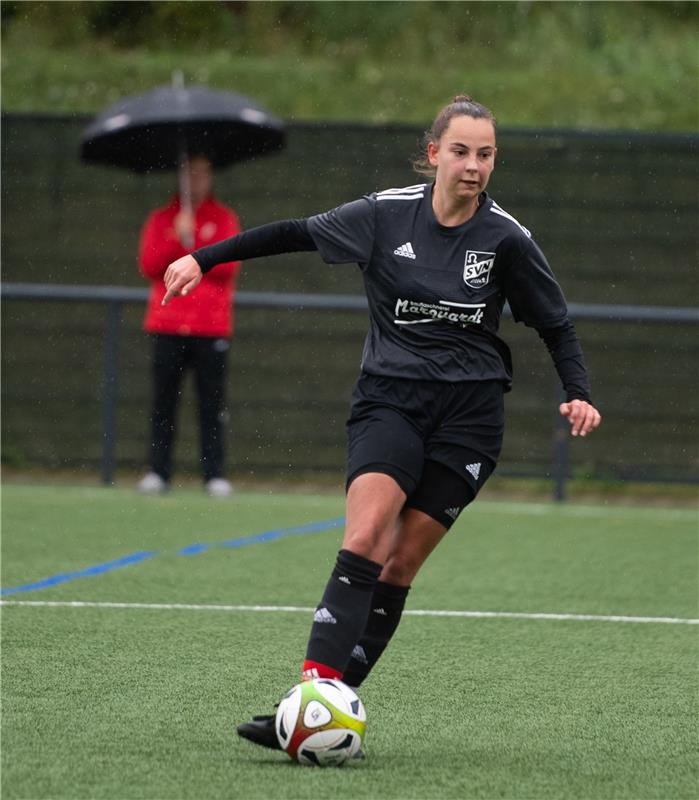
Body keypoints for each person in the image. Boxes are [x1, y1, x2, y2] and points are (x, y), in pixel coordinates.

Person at [162, 95, 602, 750]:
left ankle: (322, 703)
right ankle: (310, 698)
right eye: (460, 151)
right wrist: (205, 258)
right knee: (366, 535)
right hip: (389, 400)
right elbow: (294, 233)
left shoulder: (506, 238)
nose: (473, 165)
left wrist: (578, 391)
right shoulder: (382, 214)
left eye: (485, 154)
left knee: (398, 565)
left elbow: (554, 322)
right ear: (433, 154)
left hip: (469, 416)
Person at [137, 154, 242, 497]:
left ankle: (213, 474)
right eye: (189, 174)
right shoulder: (160, 219)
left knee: (212, 404)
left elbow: (225, 267)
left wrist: (193, 240)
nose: (196, 180)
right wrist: (174, 238)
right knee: (163, 402)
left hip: (210, 328)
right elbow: (150, 264)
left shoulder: (224, 219)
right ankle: (158, 472)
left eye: (202, 174)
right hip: (168, 324)